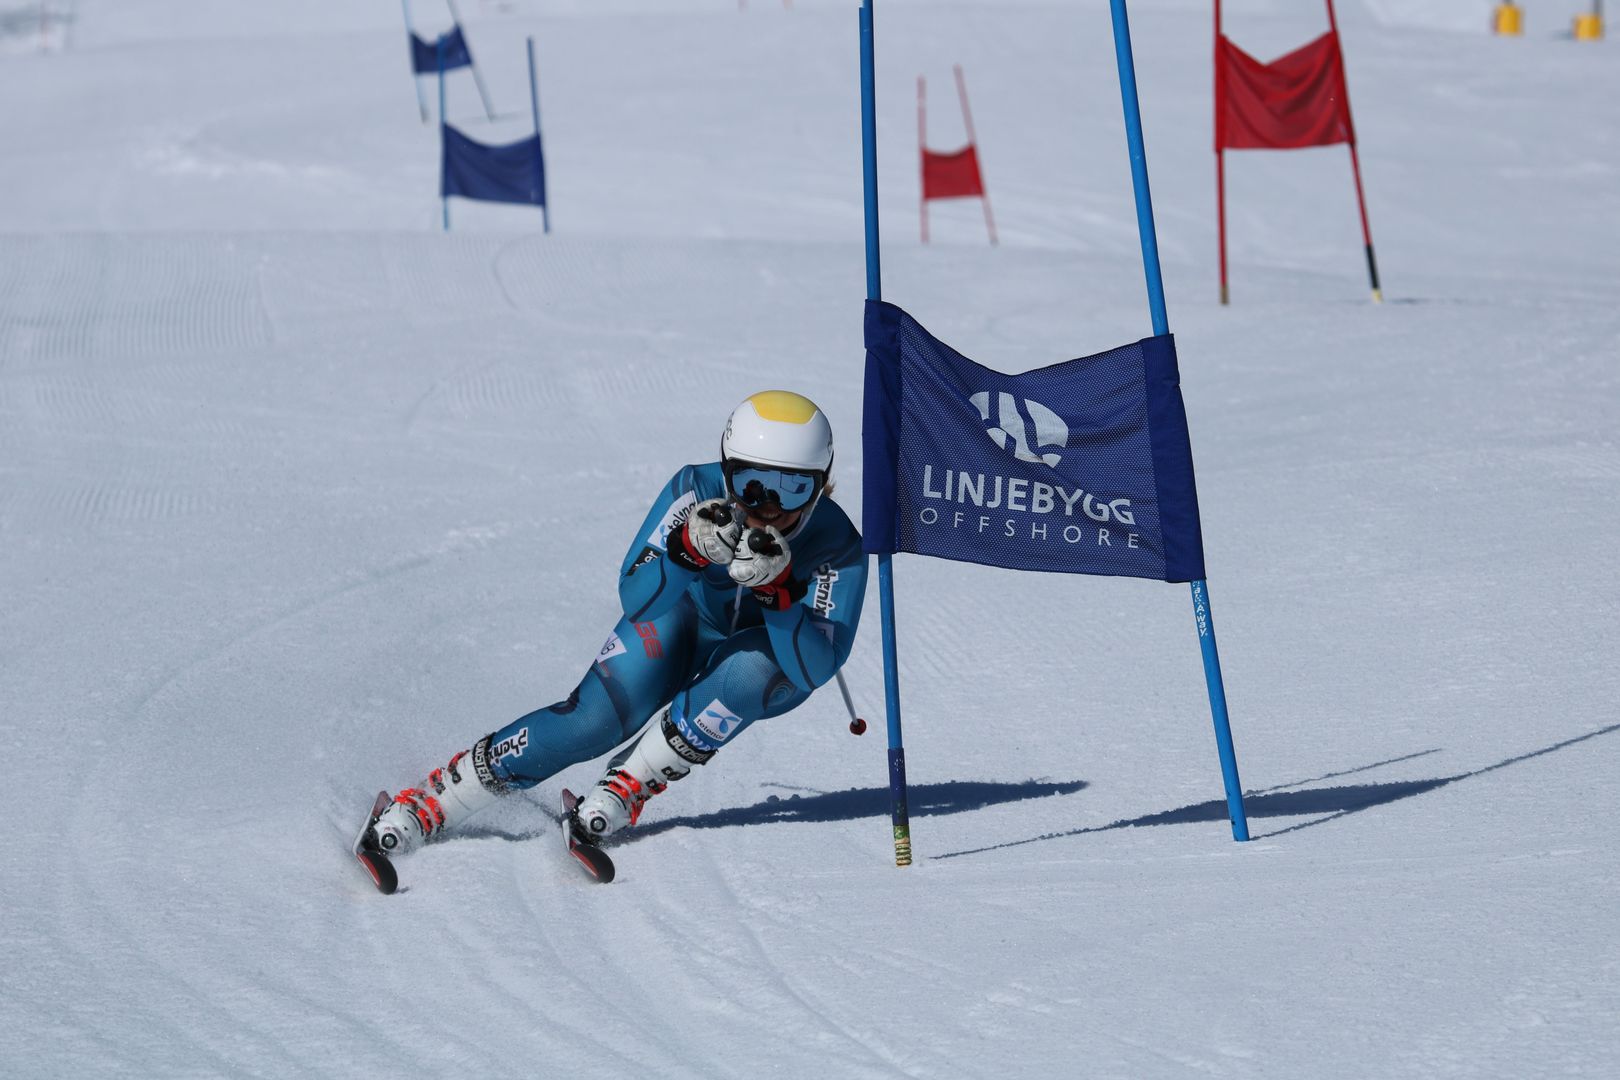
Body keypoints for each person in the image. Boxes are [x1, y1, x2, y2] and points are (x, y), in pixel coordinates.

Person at [363, 390, 866, 862]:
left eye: (793, 488)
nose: (768, 508)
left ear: (820, 484)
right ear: (726, 469)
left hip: (764, 653)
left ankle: (630, 781)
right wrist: (684, 552)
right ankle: (440, 798)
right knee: (592, 723)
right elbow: (637, 599)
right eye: (751, 484)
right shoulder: (698, 489)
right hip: (680, 620)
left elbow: (813, 669)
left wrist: (779, 594)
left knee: (757, 671)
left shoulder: (838, 544)